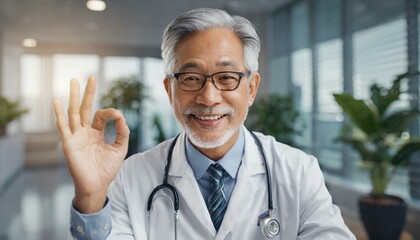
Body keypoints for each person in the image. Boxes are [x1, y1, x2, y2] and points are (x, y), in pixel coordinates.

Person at [53, 8, 356, 240]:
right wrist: (91, 197)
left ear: (251, 89)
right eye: (190, 78)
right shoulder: (131, 176)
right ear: (169, 89)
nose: (209, 97)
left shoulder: (299, 172)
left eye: (226, 77)